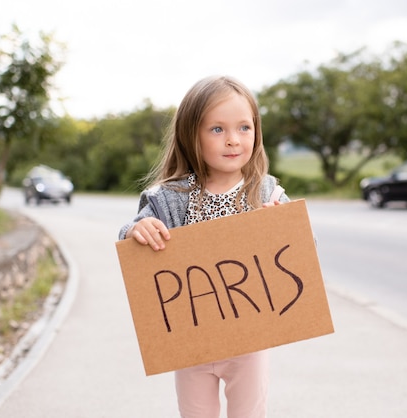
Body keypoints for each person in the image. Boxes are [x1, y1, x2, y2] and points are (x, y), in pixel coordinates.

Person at [118, 75, 289, 418]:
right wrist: (139, 228)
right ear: (191, 134)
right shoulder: (169, 198)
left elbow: (302, 254)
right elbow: (129, 236)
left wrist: (283, 227)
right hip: (191, 342)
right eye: (217, 130)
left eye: (244, 128)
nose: (232, 140)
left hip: (249, 342)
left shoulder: (267, 194)